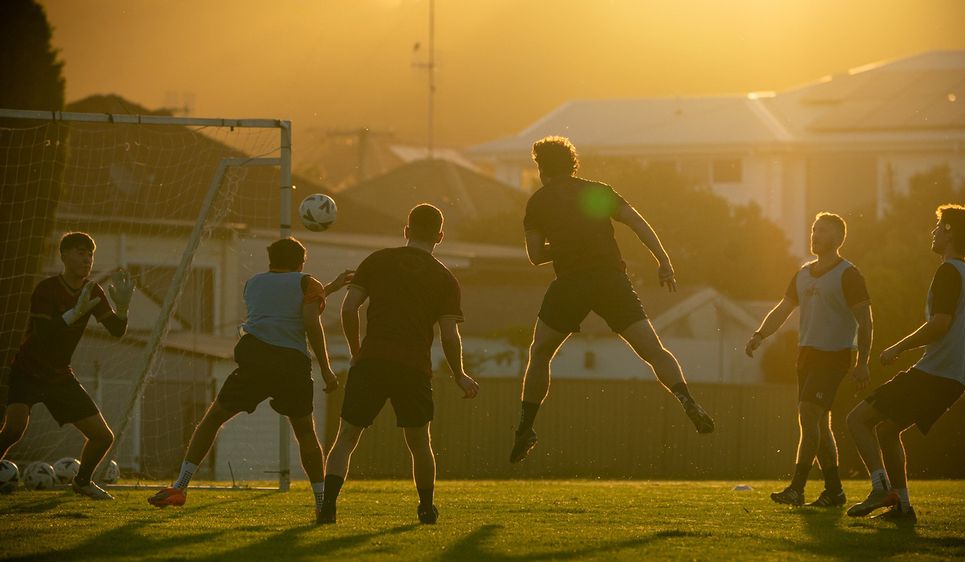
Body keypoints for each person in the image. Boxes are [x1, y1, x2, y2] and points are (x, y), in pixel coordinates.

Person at [509, 136, 714, 465]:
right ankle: (686, 398)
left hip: (571, 283)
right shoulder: (597, 191)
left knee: (540, 353)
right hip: (610, 280)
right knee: (654, 351)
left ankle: (526, 427)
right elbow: (636, 222)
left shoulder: (539, 202)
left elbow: (534, 256)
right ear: (573, 163)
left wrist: (564, 248)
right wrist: (663, 259)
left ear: (540, 167)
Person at [148, 238, 353, 520]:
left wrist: (330, 287)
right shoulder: (308, 282)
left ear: (271, 260)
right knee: (305, 432)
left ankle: (180, 487)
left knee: (213, 418)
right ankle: (321, 504)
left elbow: (285, 306)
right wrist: (327, 370)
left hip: (255, 358)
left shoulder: (253, 283)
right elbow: (308, 319)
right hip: (290, 364)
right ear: (300, 262)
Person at [317, 204, 479, 525]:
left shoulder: (376, 261)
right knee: (419, 442)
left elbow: (349, 310)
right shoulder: (445, 278)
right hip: (412, 367)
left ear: (406, 231)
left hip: (372, 360)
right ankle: (425, 508)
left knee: (346, 437)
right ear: (440, 236)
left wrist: (356, 351)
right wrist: (459, 373)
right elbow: (449, 334)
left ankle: (329, 507)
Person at [846, 204, 965, 523]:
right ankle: (902, 509)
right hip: (955, 379)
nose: (933, 232)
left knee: (857, 420)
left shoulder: (949, 271)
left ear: (949, 233)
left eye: (938, 226)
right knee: (888, 431)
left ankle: (881, 488)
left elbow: (940, 323)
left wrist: (898, 346)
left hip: (934, 373)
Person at [745, 213, 872, 507]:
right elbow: (783, 308)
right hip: (806, 355)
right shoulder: (802, 273)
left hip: (835, 355)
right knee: (818, 423)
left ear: (838, 239)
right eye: (813, 230)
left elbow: (865, 322)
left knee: (808, 413)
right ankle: (834, 491)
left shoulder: (848, 274)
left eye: (822, 231)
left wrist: (863, 361)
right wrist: (760, 334)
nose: (814, 235)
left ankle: (797, 488)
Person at [0, 232, 133, 499]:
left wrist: (123, 308)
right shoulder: (46, 289)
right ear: (63, 256)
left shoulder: (92, 290)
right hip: (27, 371)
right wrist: (73, 314)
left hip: (59, 376)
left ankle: (82, 482)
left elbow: (116, 330)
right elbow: (43, 333)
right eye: (79, 253)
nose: (86, 259)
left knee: (103, 437)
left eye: (90, 254)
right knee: (14, 429)